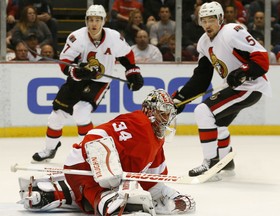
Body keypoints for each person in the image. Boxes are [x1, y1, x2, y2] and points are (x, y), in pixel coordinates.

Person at [18, 89, 196, 215]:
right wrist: (104, 164)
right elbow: (95, 135)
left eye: (169, 115)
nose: (167, 119)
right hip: (84, 165)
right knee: (117, 196)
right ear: (150, 112)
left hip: (92, 178)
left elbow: (152, 182)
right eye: (163, 113)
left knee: (119, 190)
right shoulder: (138, 122)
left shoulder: (157, 140)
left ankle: (52, 192)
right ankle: (120, 208)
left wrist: (171, 196)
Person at [32, 5, 144, 162]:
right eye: (90, 20)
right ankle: (50, 149)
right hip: (77, 80)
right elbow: (65, 62)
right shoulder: (76, 37)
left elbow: (127, 55)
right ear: (86, 21)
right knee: (56, 116)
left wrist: (133, 72)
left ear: (103, 21)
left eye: (97, 20)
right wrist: (77, 72)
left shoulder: (114, 37)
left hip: (100, 82)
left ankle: (89, 151)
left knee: (81, 112)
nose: (94, 24)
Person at [172, 2, 271, 177]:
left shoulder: (232, 31)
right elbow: (202, 77)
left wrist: (243, 72)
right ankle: (226, 159)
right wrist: (181, 97)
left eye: (211, 20)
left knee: (203, 111)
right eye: (204, 20)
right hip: (236, 86)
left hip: (251, 85)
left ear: (220, 19)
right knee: (217, 122)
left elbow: (262, 58)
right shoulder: (203, 43)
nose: (207, 25)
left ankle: (210, 162)